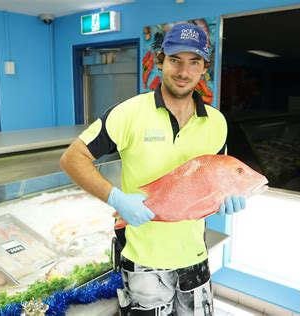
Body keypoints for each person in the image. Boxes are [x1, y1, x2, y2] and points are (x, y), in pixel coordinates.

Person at [60, 23, 246, 315]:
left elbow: (214, 179)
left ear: (204, 68)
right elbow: (72, 158)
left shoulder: (217, 123)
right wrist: (116, 199)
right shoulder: (128, 112)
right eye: (175, 60)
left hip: (194, 256)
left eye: (194, 62)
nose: (184, 72)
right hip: (142, 261)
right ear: (160, 61)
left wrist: (223, 199)